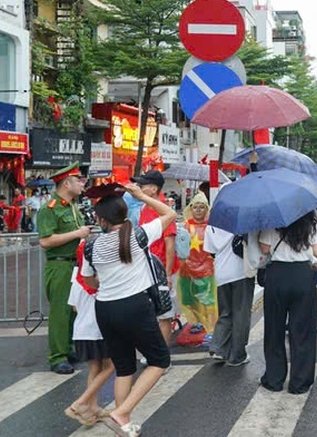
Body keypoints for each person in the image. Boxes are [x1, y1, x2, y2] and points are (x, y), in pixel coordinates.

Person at [80, 183, 176, 436]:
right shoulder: (138, 236)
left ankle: (122, 424)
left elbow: (89, 280)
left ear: (101, 219)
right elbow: (170, 214)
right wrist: (142, 196)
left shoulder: (91, 246)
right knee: (159, 360)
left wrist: (108, 281)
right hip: (134, 306)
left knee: (124, 367)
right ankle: (122, 413)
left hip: (105, 309)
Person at [259, 211, 317, 394]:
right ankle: (299, 382)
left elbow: (264, 248)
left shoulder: (272, 219)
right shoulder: (311, 221)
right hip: (302, 276)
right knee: (302, 330)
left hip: (277, 275)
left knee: (274, 329)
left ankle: (274, 379)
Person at [37, 162, 91, 374]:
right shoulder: (49, 209)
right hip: (59, 265)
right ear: (66, 183)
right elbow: (46, 241)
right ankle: (57, 356)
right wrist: (77, 234)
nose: (81, 183)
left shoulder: (72, 207)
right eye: (78, 180)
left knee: (71, 311)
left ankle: (68, 349)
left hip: (74, 265)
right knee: (60, 312)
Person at [64, 237, 114, 427]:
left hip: (82, 330)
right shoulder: (99, 278)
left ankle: (92, 410)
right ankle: (81, 402)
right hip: (98, 330)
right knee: (110, 366)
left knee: (95, 368)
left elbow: (74, 307)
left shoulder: (76, 278)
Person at [132, 170, 178, 359]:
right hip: (147, 269)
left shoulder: (162, 209)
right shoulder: (144, 208)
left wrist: (167, 274)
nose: (140, 188)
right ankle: (153, 353)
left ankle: (163, 357)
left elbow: (170, 242)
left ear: (153, 189)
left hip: (161, 270)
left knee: (164, 314)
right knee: (150, 314)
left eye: (143, 185)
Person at [205, 224, 255, 366]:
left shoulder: (212, 224)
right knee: (241, 313)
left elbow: (211, 251)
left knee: (225, 311)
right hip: (241, 271)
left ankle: (219, 348)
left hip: (221, 273)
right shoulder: (242, 221)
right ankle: (237, 355)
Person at [179, 193, 218, 335]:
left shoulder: (211, 227)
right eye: (196, 207)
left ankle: (210, 327)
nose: (199, 210)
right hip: (187, 269)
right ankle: (196, 323)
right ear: (191, 208)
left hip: (206, 269)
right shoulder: (184, 226)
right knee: (190, 298)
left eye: (202, 207)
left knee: (207, 299)